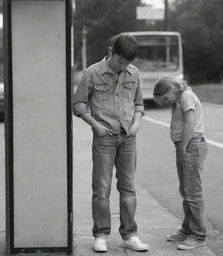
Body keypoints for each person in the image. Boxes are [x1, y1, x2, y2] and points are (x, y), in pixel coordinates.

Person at [73, 34, 148, 253]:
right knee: (101, 188)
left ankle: (130, 235)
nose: (123, 66)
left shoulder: (134, 74)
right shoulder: (92, 73)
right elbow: (78, 106)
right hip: (104, 138)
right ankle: (100, 234)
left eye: (127, 63)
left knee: (128, 188)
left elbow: (139, 104)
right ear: (109, 52)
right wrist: (95, 125)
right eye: (119, 61)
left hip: (128, 139)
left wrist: (137, 123)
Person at [153, 76, 208, 250]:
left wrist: (183, 148)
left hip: (191, 146)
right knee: (186, 191)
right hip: (184, 147)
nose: (163, 102)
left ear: (171, 87)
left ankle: (198, 234)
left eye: (164, 98)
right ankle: (188, 229)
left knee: (192, 193)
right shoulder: (179, 99)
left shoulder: (186, 96)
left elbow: (190, 123)